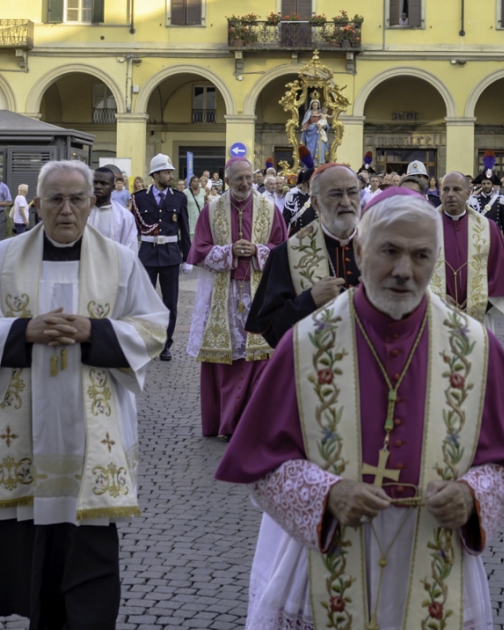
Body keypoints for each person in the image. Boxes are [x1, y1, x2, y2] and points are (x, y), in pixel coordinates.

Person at [204, 190, 504, 630]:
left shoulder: (475, 347)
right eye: (389, 251)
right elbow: (262, 468)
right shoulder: (306, 342)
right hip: (328, 558)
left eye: (421, 256)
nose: (403, 271)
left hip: (436, 558)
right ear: (360, 248)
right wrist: (325, 495)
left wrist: (474, 496)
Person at [0, 159, 168, 630]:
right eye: (56, 199)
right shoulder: (3, 258)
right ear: (38, 203)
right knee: (31, 530)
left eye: (77, 198)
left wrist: (93, 331)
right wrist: (23, 330)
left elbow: (152, 326)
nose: (67, 209)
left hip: (92, 423)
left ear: (94, 202)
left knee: (89, 533)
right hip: (20, 419)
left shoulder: (119, 260)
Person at [185, 157, 287, 437]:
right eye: (239, 179)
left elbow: (282, 248)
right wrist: (229, 251)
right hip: (224, 294)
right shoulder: (211, 209)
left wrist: (258, 250)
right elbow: (200, 250)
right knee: (226, 360)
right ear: (227, 181)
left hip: (259, 293)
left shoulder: (269, 208)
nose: (245, 183)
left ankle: (255, 422)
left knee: (260, 358)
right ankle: (226, 423)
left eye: (249, 178)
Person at [246, 162, 365, 348]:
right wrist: (308, 301)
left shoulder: (382, 249)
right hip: (313, 371)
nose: (346, 202)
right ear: (315, 202)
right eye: (336, 194)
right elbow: (270, 331)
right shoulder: (285, 253)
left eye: (352, 192)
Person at [435, 170, 504, 330]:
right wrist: (434, 298)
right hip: (435, 316)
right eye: (445, 189)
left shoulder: (488, 228)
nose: (450, 194)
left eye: (457, 189)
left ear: (468, 193)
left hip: (477, 317)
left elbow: (500, 274)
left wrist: (479, 302)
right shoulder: (425, 227)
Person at [133, 154, 193, 361]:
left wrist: (187, 258)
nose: (171, 176)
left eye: (171, 172)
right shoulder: (139, 198)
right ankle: (148, 341)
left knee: (170, 304)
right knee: (145, 303)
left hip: (170, 255)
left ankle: (165, 344)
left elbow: (184, 229)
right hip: (147, 255)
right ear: (155, 174)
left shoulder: (179, 197)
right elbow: (133, 230)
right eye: (167, 172)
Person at [87, 165, 140, 255]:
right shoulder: (79, 212)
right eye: (95, 183)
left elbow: (130, 250)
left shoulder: (124, 216)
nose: (98, 187)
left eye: (103, 183)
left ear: (113, 187)